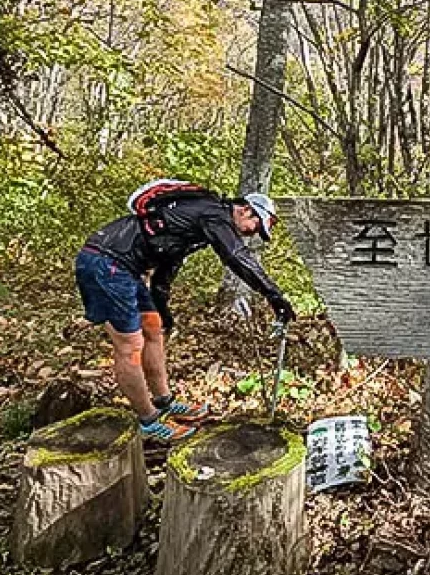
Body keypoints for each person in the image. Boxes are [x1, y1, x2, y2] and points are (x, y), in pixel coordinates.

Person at [74, 182, 296, 444]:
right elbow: (236, 256)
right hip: (105, 262)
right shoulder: (214, 213)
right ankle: (148, 420)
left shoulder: (197, 225)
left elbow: (166, 269)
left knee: (154, 329)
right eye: (256, 227)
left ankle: (164, 401)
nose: (252, 234)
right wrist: (275, 295)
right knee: (130, 346)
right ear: (245, 210)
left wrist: (162, 307)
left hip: (125, 267)